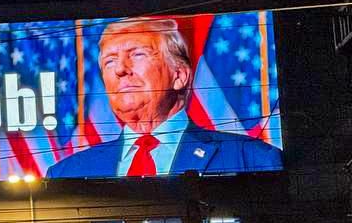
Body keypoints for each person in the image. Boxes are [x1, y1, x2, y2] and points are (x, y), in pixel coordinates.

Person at [47, 18, 281, 179]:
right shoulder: (66, 173)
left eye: (137, 54)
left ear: (178, 76)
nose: (120, 69)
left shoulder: (254, 159)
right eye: (109, 61)